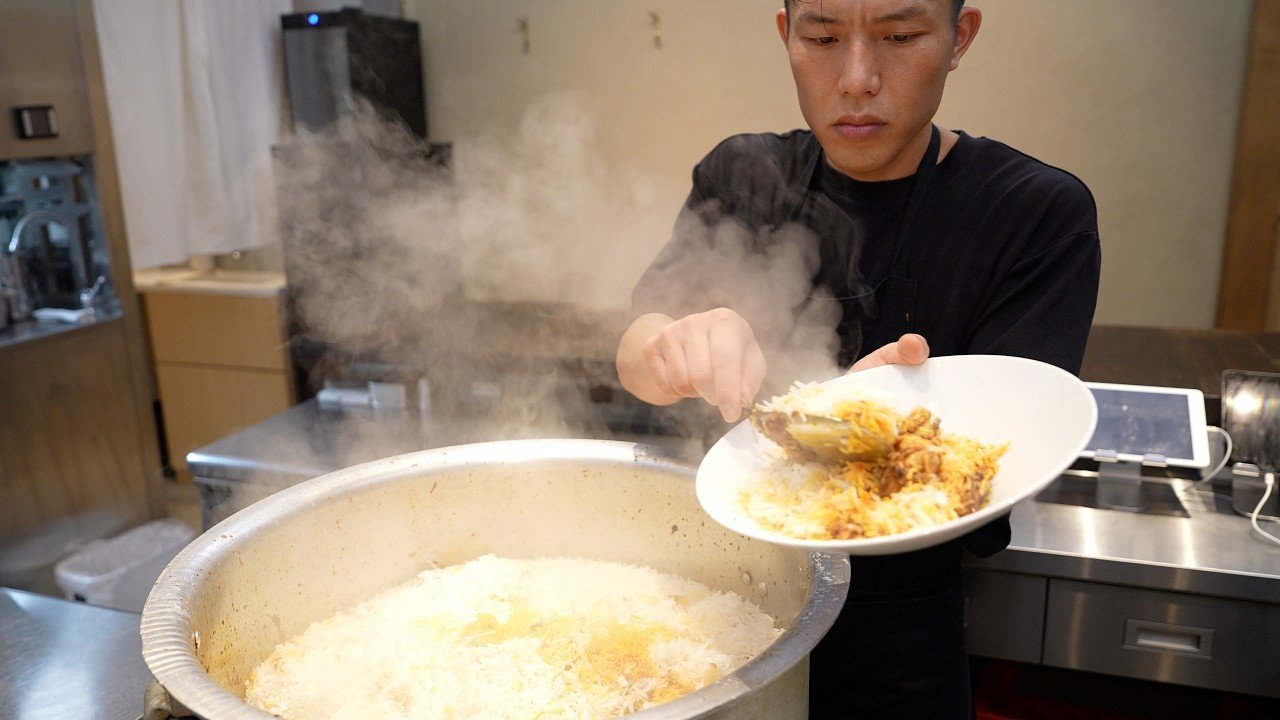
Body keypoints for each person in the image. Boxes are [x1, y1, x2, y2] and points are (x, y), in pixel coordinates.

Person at [616, 0, 1101, 717]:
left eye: (900, 37)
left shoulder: (1033, 214)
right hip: (721, 604)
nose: (857, 78)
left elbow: (1012, 459)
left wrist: (889, 426)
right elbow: (634, 348)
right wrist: (666, 349)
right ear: (786, 35)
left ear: (958, 38)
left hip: (901, 639)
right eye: (822, 38)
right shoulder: (744, 174)